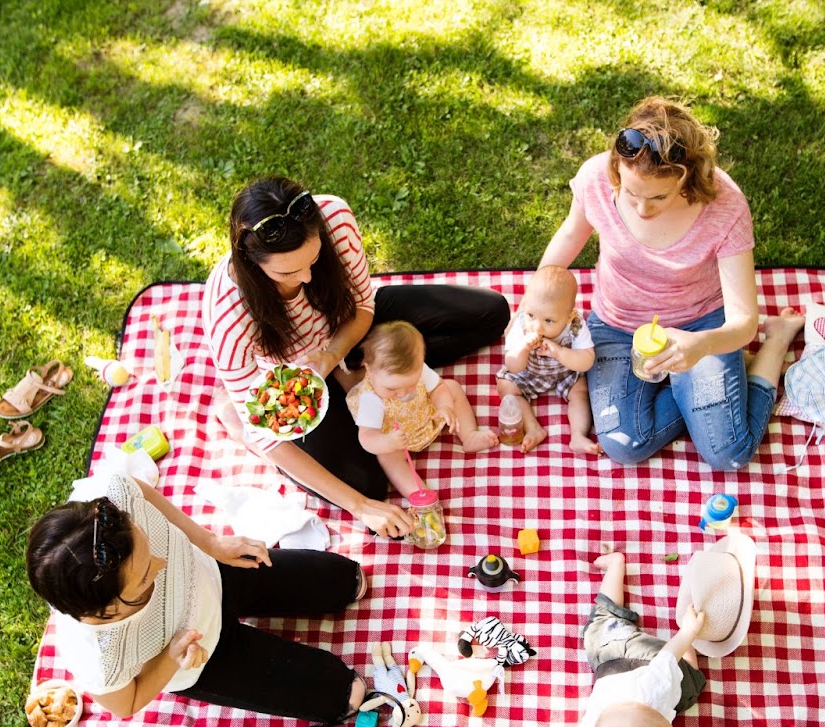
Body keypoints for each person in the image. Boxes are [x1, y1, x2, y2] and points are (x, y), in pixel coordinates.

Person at [205, 177, 509, 536]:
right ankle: (233, 418)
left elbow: (364, 305)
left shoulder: (334, 216)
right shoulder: (228, 315)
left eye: (315, 261)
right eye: (286, 273)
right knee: (369, 486)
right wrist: (361, 507)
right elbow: (269, 436)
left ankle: (381, 374)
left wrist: (336, 355)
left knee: (493, 313)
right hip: (304, 382)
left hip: (353, 333)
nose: (305, 278)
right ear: (251, 262)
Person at [540, 97, 783, 470]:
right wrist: (533, 303)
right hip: (617, 327)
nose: (642, 209)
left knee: (727, 454)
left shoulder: (725, 205)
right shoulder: (596, 179)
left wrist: (703, 346)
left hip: (700, 327)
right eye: (630, 192)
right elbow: (570, 237)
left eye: (658, 197)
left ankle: (775, 345)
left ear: (687, 176)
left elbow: (744, 321)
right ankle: (701, 389)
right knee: (624, 444)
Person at [25, 469, 369, 721]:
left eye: (151, 545)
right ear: (108, 610)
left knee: (347, 578)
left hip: (214, 572)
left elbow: (141, 491)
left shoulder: (110, 498)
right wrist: (170, 657)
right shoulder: (96, 657)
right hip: (201, 656)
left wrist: (210, 542)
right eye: (146, 576)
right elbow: (126, 704)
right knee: (344, 694)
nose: (161, 563)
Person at [574, 551, 707, 727]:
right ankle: (615, 565)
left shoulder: (653, 688)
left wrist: (688, 632)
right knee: (601, 623)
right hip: (617, 656)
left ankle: (616, 564)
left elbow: (669, 655)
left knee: (692, 685)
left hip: (634, 654)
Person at [349, 321, 497, 498]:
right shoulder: (370, 398)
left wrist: (445, 407)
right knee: (387, 457)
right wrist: (387, 442)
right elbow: (367, 437)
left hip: (424, 414)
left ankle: (469, 434)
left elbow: (437, 388)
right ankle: (419, 493)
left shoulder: (417, 370)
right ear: (369, 370)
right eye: (392, 389)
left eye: (411, 384)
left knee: (452, 387)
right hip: (396, 436)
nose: (403, 393)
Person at [499, 265, 600, 454]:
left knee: (580, 391)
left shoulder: (576, 326)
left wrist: (560, 352)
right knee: (506, 387)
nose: (536, 326)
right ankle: (533, 428)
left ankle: (578, 435)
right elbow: (512, 366)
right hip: (529, 373)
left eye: (548, 321)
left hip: (565, 373)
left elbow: (587, 360)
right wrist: (522, 348)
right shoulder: (522, 326)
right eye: (531, 315)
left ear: (569, 316)